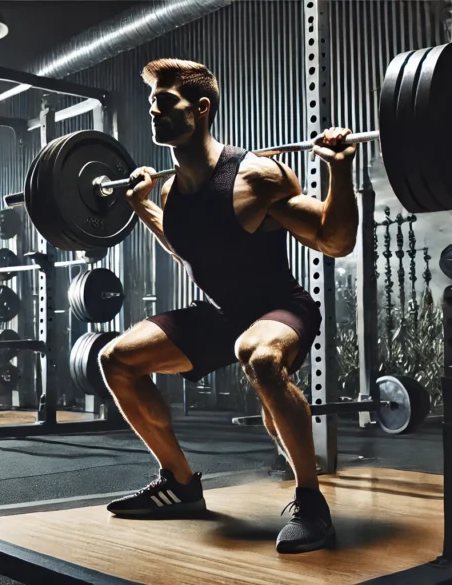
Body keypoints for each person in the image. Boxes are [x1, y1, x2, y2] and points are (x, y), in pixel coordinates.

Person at [97, 58, 358, 554]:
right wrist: (143, 207)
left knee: (258, 356)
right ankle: (179, 483)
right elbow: (188, 246)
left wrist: (338, 171)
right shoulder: (171, 192)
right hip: (222, 313)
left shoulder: (255, 176)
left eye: (165, 102)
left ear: (201, 109)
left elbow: (334, 239)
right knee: (116, 360)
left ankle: (312, 503)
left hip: (281, 307)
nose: (154, 112)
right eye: (151, 104)